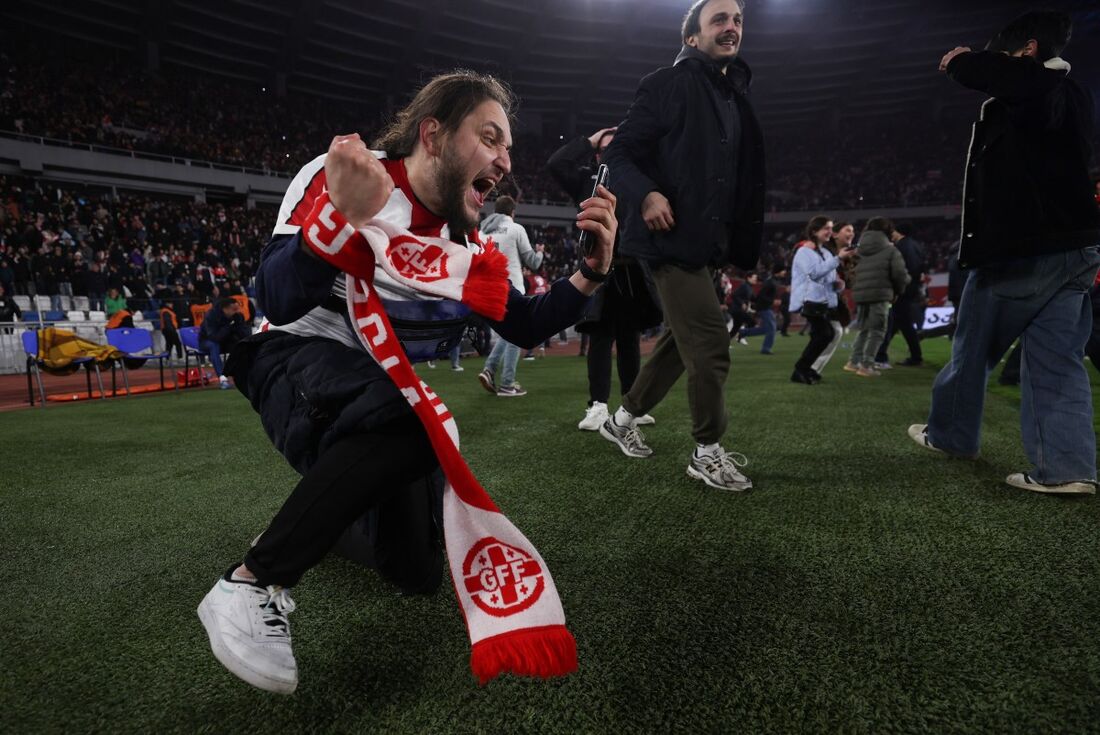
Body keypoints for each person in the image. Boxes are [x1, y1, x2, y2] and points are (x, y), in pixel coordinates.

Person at [197, 71, 617, 694]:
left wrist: (589, 273)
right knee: (414, 425)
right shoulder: (352, 173)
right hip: (290, 355)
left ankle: (314, 517)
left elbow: (525, 324)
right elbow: (277, 298)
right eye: (492, 138)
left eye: (508, 148)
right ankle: (252, 581)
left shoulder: (466, 245)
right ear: (434, 134)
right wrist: (341, 213)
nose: (505, 161)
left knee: (414, 570)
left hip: (369, 390)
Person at [909, 11, 1100, 495]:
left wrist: (963, 61)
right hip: (1075, 252)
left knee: (971, 351)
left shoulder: (1040, 86)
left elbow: (1004, 77)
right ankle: (1066, 469)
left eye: (1005, 55)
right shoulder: (1073, 95)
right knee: (1058, 361)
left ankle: (952, 436)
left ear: (1029, 51)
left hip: (1024, 252)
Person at [598, 0, 766, 492]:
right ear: (692, 37)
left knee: (681, 341)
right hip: (668, 241)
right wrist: (648, 194)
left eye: (737, 20)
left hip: (705, 245)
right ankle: (706, 452)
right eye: (719, 20)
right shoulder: (668, 83)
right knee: (711, 344)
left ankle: (621, 421)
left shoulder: (733, 96)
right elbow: (619, 152)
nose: (731, 27)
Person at [546, 126, 662, 431]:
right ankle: (597, 405)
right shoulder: (587, 181)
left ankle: (631, 405)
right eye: (604, 148)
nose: (609, 153)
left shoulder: (636, 180)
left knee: (629, 340)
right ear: (597, 153)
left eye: (615, 147)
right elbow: (556, 164)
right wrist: (590, 139)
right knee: (599, 337)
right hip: (599, 269)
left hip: (633, 270)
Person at [476, 195, 543, 397]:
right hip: (511, 285)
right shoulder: (516, 229)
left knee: (508, 333)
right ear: (512, 212)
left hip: (489, 287)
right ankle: (507, 383)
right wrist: (540, 252)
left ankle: (489, 369)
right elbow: (533, 262)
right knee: (517, 333)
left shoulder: (481, 232)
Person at [789, 216, 856, 384]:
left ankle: (805, 370)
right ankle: (801, 370)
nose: (830, 232)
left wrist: (838, 284)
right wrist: (838, 258)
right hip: (808, 300)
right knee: (826, 334)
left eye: (831, 228)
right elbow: (814, 273)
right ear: (814, 231)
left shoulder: (826, 252)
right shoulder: (804, 251)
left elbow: (826, 279)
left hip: (821, 302)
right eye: (826, 228)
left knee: (823, 335)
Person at [843, 217, 909, 377]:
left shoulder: (859, 249)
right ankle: (867, 366)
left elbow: (851, 271)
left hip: (861, 294)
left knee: (864, 329)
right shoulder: (890, 250)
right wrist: (899, 290)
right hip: (880, 294)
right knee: (878, 330)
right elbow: (900, 274)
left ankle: (853, 362)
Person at [875, 224, 926, 367]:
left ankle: (915, 357)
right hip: (911, 289)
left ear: (898, 231)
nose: (892, 234)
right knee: (898, 321)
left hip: (903, 290)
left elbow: (901, 270)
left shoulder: (902, 247)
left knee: (901, 322)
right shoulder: (916, 245)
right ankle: (880, 353)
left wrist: (897, 288)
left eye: (893, 231)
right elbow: (921, 268)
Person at [811, 220, 853, 375]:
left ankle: (811, 367)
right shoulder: (824, 251)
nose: (852, 233)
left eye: (852, 231)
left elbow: (848, 282)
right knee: (833, 332)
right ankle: (811, 368)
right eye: (848, 230)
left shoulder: (848, 255)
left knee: (831, 332)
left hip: (832, 298)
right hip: (819, 297)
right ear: (835, 234)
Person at [198, 297, 251, 389]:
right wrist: (229, 326)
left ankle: (245, 374)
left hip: (225, 341)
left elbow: (245, 335)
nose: (237, 311)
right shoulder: (211, 315)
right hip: (206, 341)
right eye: (234, 309)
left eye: (238, 308)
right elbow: (214, 337)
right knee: (214, 345)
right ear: (225, 309)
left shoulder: (237, 316)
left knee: (241, 345)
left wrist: (238, 326)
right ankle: (222, 378)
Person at [738, 267, 783, 354]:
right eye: (783, 270)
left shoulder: (773, 281)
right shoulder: (770, 282)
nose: (785, 272)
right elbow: (761, 296)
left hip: (766, 307)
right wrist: (772, 301)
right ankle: (766, 349)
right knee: (772, 328)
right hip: (764, 307)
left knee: (766, 329)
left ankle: (742, 332)